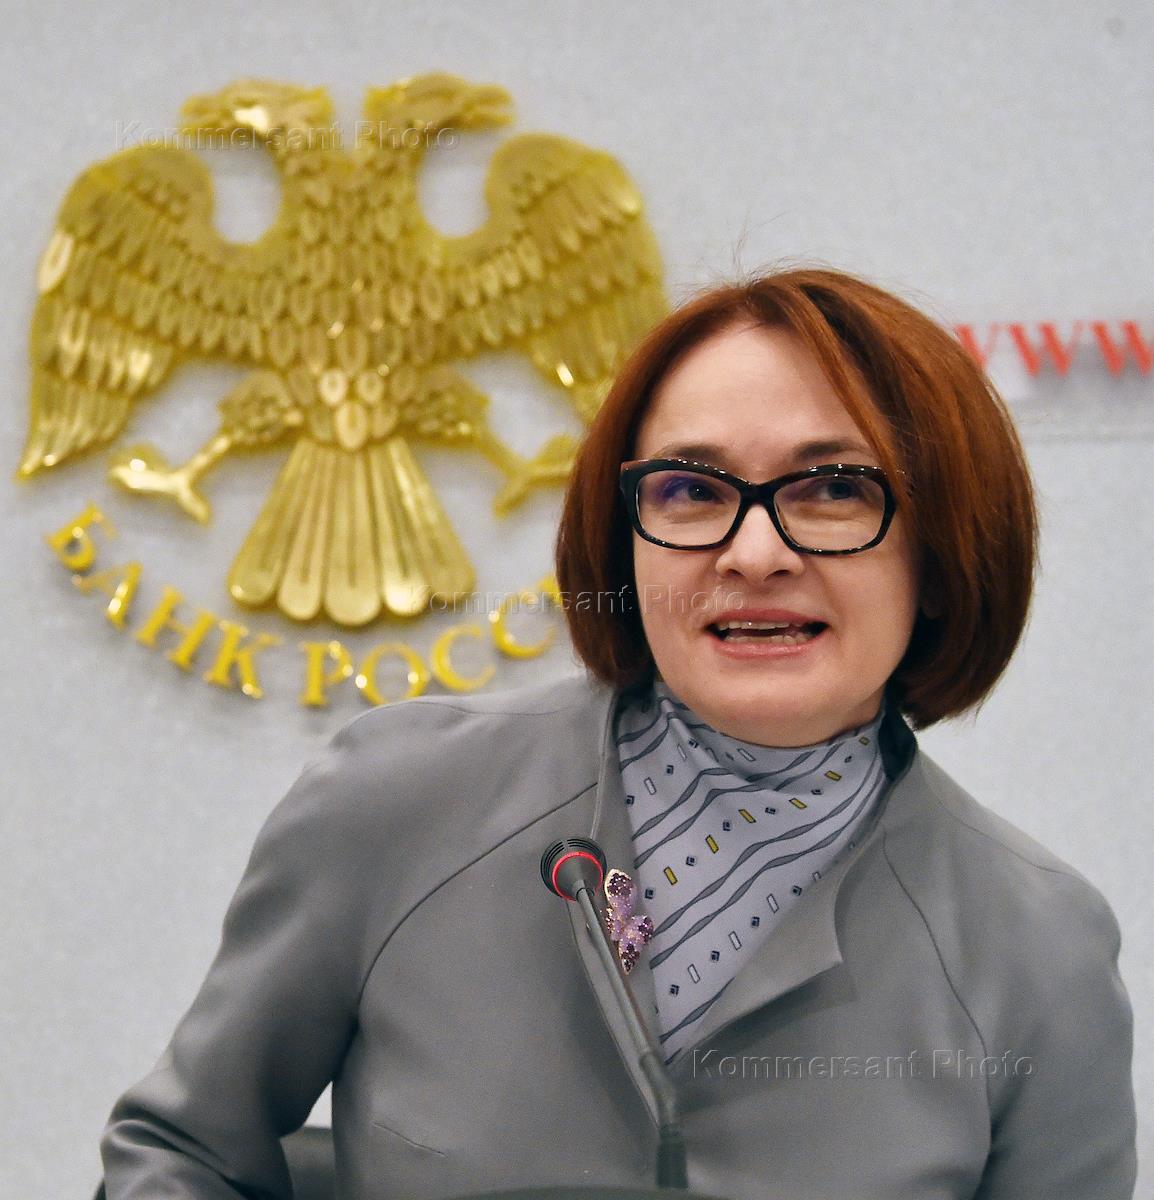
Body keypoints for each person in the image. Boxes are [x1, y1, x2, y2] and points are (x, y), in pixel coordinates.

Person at [100, 267, 1137, 1200]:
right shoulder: (396, 801)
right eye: (691, 490)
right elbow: (183, 1154)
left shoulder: (1038, 947)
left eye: (833, 488)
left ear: (944, 549)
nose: (754, 552)